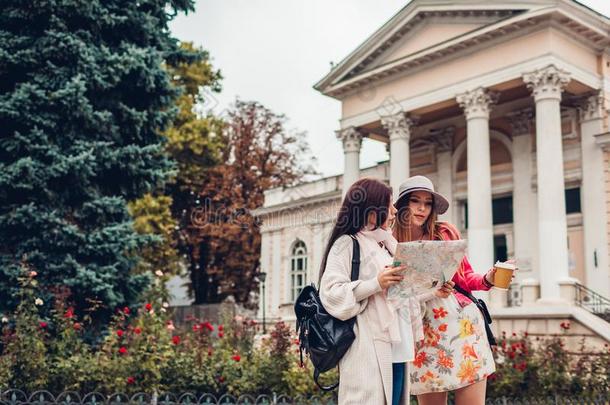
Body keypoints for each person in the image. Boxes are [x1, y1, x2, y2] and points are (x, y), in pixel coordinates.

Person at [319, 177, 451, 405]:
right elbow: (330, 294)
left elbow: (399, 296)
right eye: (388, 205)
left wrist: (434, 291)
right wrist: (375, 283)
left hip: (397, 345)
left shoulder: (385, 245)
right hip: (367, 347)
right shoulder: (347, 243)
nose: (393, 211)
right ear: (370, 209)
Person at [393, 175, 500, 405]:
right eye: (415, 201)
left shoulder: (444, 232)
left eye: (428, 202)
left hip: (463, 326)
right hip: (421, 332)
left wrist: (488, 279)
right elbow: (392, 294)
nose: (422, 208)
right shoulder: (390, 241)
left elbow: (466, 277)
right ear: (402, 205)